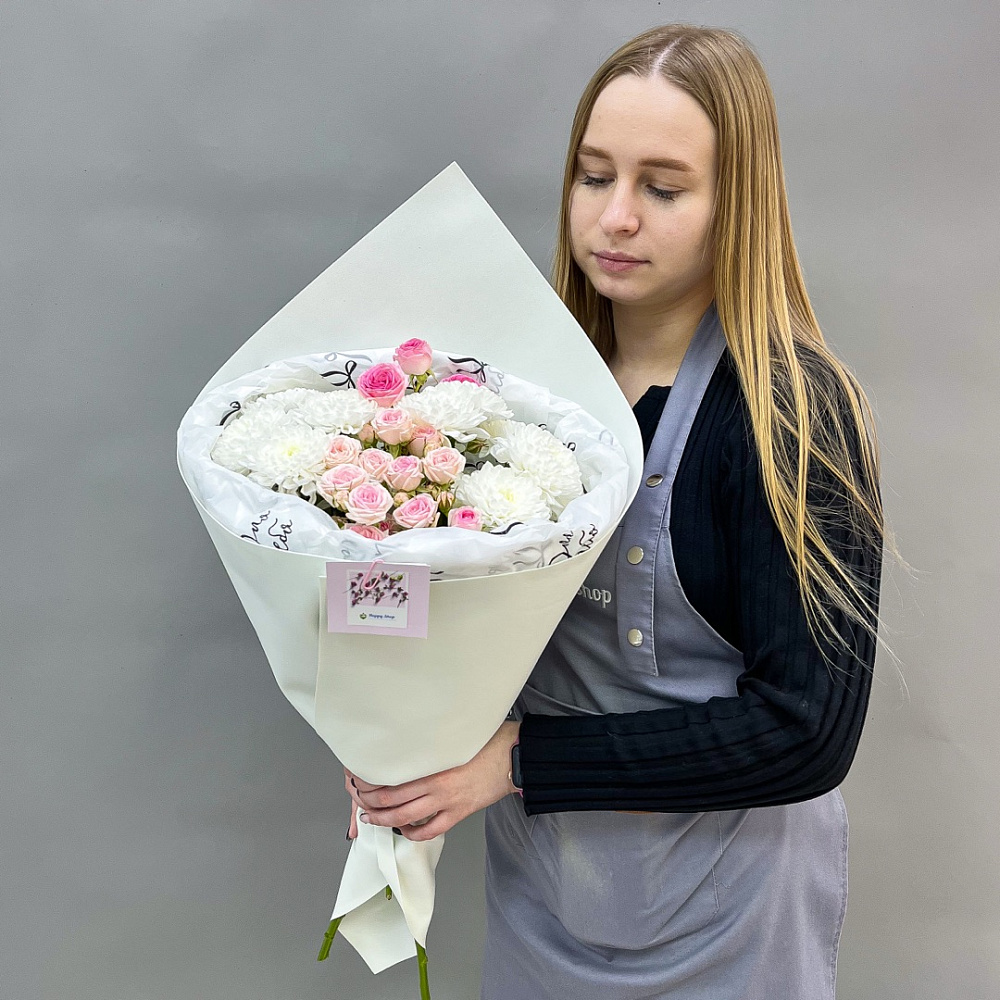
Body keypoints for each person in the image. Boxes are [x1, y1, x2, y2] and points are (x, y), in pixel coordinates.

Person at [345, 23, 884, 999]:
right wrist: (394, 725)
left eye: (662, 188)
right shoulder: (517, 400)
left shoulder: (789, 418)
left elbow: (805, 730)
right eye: (594, 176)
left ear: (736, 203)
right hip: (547, 892)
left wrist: (519, 759)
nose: (616, 216)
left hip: (731, 915)